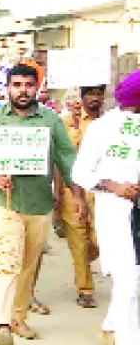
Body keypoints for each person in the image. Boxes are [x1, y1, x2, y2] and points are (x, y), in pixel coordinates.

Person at [0, 63, 80, 345]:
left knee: (27, 264)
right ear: (8, 88)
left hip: (38, 204)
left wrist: (78, 197)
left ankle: (18, 317)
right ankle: (1, 323)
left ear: (36, 87)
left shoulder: (50, 120)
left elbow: (66, 158)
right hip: (2, 202)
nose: (23, 91)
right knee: (6, 259)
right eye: (17, 85)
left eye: (28, 85)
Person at [72, 70, 140, 345]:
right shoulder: (103, 128)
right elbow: (81, 172)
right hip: (116, 214)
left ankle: (111, 327)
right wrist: (114, 185)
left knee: (134, 282)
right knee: (127, 283)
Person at [60, 85, 105, 309]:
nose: (94, 98)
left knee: (100, 240)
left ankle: (85, 262)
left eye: (99, 94)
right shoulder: (68, 122)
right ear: (82, 97)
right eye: (90, 94)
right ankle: (85, 289)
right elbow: (63, 155)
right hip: (73, 189)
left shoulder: (110, 123)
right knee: (78, 239)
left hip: (102, 190)